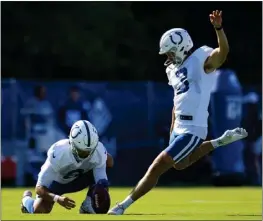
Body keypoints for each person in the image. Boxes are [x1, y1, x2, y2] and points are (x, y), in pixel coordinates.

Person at [108, 10, 248, 215]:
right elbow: (177, 100)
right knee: (181, 165)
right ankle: (221, 141)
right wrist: (173, 127)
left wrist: (218, 29)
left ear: (181, 48)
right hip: (179, 125)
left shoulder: (201, 59)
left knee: (158, 166)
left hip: (194, 127)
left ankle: (124, 205)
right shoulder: (171, 70)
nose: (168, 57)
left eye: (170, 52)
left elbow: (223, 52)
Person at [21, 120, 113, 214]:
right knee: (39, 210)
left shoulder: (98, 151)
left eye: (90, 151)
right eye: (82, 152)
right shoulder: (59, 153)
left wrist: (100, 195)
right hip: (58, 183)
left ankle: (87, 205)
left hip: (81, 179)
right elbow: (39, 188)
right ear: (72, 143)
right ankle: (26, 200)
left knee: (108, 161)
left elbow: (101, 182)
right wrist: (57, 198)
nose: (86, 155)